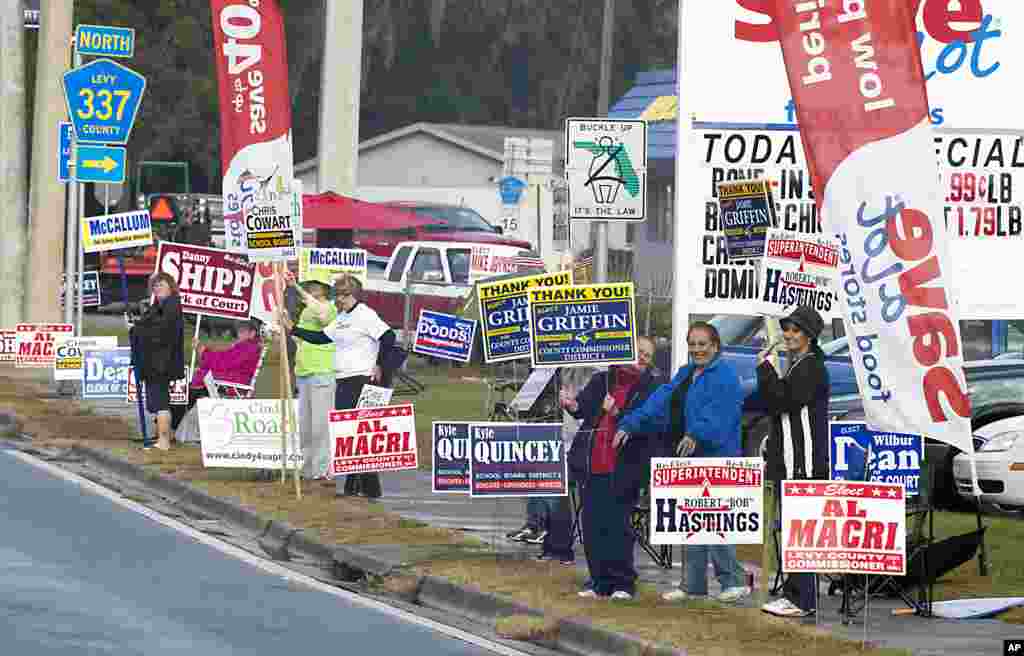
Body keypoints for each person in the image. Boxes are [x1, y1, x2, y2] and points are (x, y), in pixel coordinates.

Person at [616, 323, 750, 603]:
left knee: (716, 522)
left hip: (718, 457)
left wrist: (695, 433)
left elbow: (721, 415)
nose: (697, 349)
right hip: (689, 456)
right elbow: (659, 400)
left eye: (703, 344)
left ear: (715, 346)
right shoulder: (687, 372)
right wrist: (629, 423)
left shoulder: (724, 376)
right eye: (693, 344)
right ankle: (692, 584)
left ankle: (734, 581)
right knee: (692, 522)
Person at [559, 336, 665, 600]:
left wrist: (617, 413)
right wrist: (571, 404)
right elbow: (582, 409)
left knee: (618, 527)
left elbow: (650, 425)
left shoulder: (652, 387)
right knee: (593, 525)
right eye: (638, 351)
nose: (641, 358)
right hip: (593, 463)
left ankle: (623, 583)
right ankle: (599, 581)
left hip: (625, 466)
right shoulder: (602, 379)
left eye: (647, 355)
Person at [281, 272, 398, 499]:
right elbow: (321, 337)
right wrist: (292, 328)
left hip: (362, 379)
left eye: (341, 297)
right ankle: (352, 486)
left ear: (351, 295)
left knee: (359, 433)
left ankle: (371, 488)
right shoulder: (343, 318)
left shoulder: (365, 315)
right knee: (347, 434)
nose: (337, 302)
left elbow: (389, 337)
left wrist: (379, 365)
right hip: (343, 380)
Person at [756, 306, 830, 619]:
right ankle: (795, 594)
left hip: (805, 465)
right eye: (786, 329)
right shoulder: (798, 364)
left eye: (796, 330)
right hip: (791, 461)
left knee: (800, 533)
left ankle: (802, 599)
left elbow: (781, 400)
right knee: (792, 531)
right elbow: (776, 405)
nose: (788, 335)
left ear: (809, 336)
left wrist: (766, 370)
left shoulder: (811, 367)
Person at [282, 278, 337, 482]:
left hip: (322, 371)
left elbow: (322, 317)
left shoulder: (330, 309)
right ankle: (307, 468)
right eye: (309, 285)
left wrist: (296, 288)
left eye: (316, 285)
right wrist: (289, 325)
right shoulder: (307, 311)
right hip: (305, 371)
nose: (311, 289)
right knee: (305, 426)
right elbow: (302, 339)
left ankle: (322, 470)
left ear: (325, 289)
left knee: (320, 426)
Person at [129, 272, 185, 451]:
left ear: (170, 286)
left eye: (161, 284)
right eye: (155, 286)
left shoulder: (172, 306)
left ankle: (163, 441)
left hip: (162, 362)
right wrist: (135, 327)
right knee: (156, 401)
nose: (157, 288)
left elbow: (160, 332)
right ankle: (161, 438)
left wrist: (138, 331)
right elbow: (147, 326)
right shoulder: (158, 306)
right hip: (154, 362)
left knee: (160, 401)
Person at [188, 319, 263, 398]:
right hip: (237, 379)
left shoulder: (248, 347)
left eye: (242, 332)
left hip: (236, 383)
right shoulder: (250, 346)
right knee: (202, 375)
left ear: (252, 333)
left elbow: (224, 363)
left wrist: (204, 352)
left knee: (201, 376)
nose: (239, 335)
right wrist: (204, 352)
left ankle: (184, 405)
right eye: (239, 331)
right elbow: (226, 358)